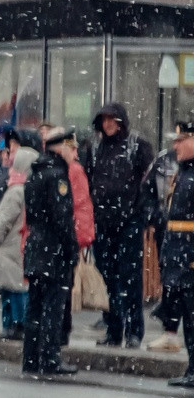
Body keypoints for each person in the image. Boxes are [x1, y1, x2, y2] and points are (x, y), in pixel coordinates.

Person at [84, 101, 155, 349]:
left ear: (121, 121)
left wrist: (144, 214)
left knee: (130, 277)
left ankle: (134, 331)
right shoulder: (94, 149)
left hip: (129, 221)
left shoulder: (137, 147)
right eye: (104, 120)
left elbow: (149, 183)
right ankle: (114, 329)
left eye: (112, 120)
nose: (108, 124)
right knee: (108, 278)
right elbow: (87, 181)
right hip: (103, 222)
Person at [23, 127, 86, 377]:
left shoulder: (35, 172)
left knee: (35, 306)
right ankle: (49, 357)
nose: (75, 153)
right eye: (72, 148)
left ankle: (30, 357)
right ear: (61, 148)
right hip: (54, 250)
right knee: (53, 306)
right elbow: (62, 219)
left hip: (36, 246)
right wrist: (71, 248)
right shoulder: (58, 176)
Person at [0, 138, 38, 340]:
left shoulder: (15, 192)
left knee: (11, 289)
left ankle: (14, 324)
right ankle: (17, 324)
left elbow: (3, 221)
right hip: (20, 245)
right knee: (18, 287)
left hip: (8, 248)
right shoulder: (30, 190)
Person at [154, 123, 194, 379]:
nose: (175, 146)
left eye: (181, 140)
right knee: (189, 320)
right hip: (180, 259)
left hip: (190, 259)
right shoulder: (185, 173)